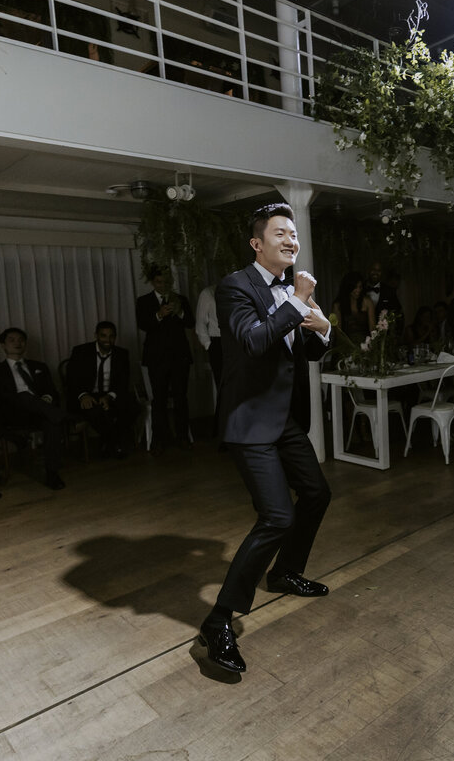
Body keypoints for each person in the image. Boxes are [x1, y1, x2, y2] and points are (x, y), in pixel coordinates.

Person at [196, 203, 333, 675]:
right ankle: (218, 623)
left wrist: (323, 326)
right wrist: (296, 302)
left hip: (283, 419)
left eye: (294, 234)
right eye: (281, 233)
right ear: (258, 244)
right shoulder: (235, 286)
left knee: (316, 493)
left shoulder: (295, 291)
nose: (291, 241)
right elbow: (252, 342)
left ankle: (285, 571)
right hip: (249, 420)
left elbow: (308, 351)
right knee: (276, 516)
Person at [0, 328, 66, 490]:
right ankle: (63, 416)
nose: (17, 343)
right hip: (12, 414)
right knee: (25, 396)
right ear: (3, 345)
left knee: (52, 423)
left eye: (21, 339)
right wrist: (27, 399)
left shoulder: (39, 366)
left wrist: (46, 399)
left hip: (39, 411)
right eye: (12, 340)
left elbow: (51, 391)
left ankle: (52, 473)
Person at [136, 266, 195, 453]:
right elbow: (142, 324)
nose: (163, 286)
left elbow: (191, 323)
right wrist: (159, 315)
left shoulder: (180, 299)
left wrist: (179, 312)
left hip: (179, 357)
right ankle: (160, 438)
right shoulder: (144, 301)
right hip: (156, 358)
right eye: (159, 282)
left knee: (180, 398)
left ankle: (182, 437)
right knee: (158, 399)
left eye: (166, 282)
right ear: (153, 282)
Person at [65, 321, 136, 459]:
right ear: (96, 335)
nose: (107, 340)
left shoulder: (122, 354)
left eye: (111, 336)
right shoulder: (81, 351)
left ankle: (109, 442)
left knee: (133, 406)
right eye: (103, 336)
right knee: (96, 411)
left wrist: (109, 397)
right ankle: (113, 443)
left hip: (109, 394)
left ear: (115, 337)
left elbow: (123, 382)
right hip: (86, 394)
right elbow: (71, 379)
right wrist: (83, 395)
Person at [194, 282, 224, 431]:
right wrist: (209, 346)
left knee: (240, 388)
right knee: (223, 388)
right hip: (218, 343)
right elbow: (200, 325)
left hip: (238, 342)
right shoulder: (208, 293)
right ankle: (224, 432)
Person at [330, 271, 375, 345]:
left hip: (365, 346)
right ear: (348, 288)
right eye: (355, 287)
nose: (358, 290)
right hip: (345, 347)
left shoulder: (367, 302)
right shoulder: (337, 305)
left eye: (360, 287)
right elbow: (338, 333)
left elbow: (372, 329)